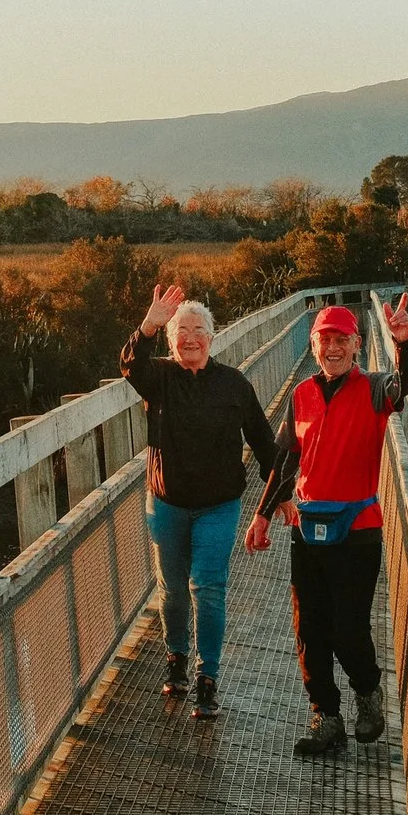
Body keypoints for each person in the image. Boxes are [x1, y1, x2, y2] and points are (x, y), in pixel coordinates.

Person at [246, 293, 408, 756]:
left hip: (358, 527)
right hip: (307, 526)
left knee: (348, 629)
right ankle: (326, 716)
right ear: (314, 344)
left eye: (342, 339)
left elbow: (405, 386)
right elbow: (285, 462)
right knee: (309, 629)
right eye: (325, 340)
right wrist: (262, 514)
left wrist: (403, 346)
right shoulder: (301, 395)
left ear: (357, 344)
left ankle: (367, 694)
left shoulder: (377, 388)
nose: (333, 348)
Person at [122, 282, 284, 719]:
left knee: (207, 587)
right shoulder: (159, 378)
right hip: (168, 503)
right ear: (171, 340)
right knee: (173, 591)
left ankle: (207, 676)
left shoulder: (233, 384)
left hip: (218, 505)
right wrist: (148, 326)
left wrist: (282, 493)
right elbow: (130, 365)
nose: (190, 337)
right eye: (181, 331)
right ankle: (175, 656)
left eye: (198, 329)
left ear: (212, 337)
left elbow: (263, 441)